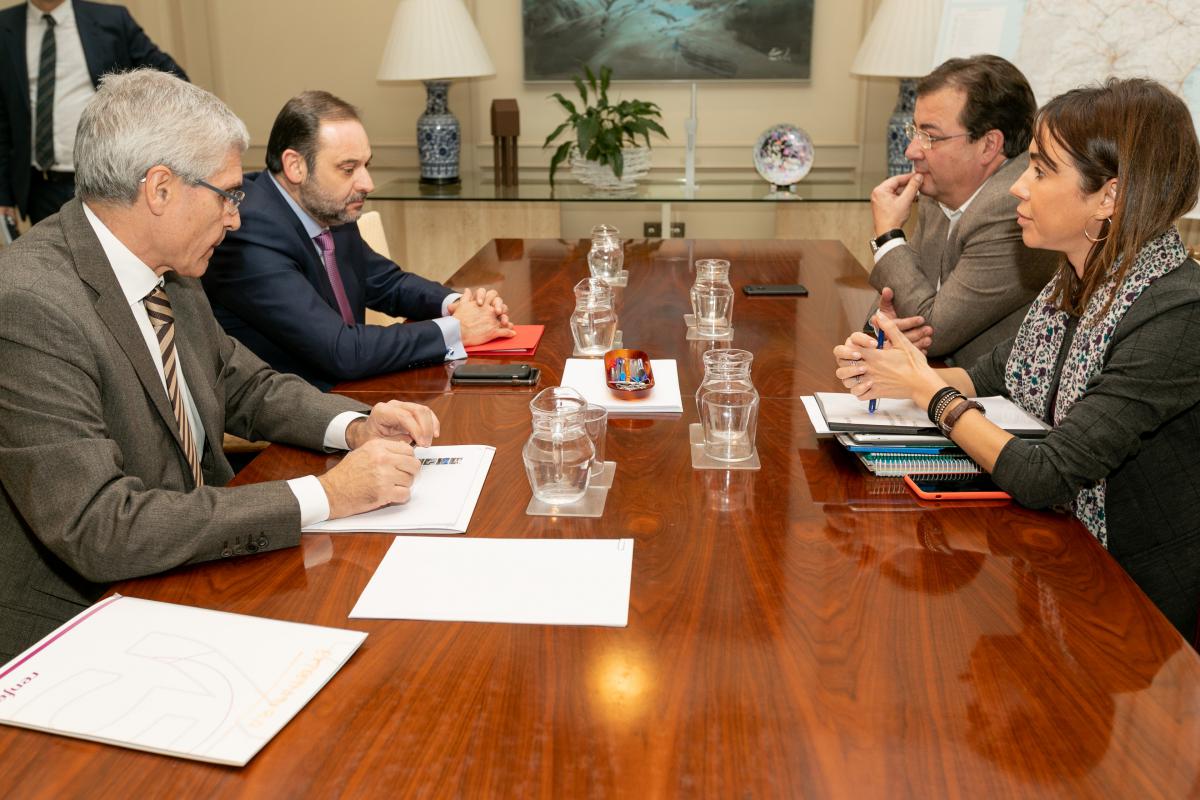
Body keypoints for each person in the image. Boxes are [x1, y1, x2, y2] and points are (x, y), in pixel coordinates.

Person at [0, 69, 442, 660]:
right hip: (82, 622)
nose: (236, 218)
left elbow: (246, 384)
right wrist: (325, 495)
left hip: (192, 570)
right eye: (229, 194)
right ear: (160, 189)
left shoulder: (168, 264)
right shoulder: (30, 305)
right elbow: (101, 526)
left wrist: (355, 426)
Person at [834, 78, 1200, 640]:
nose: (1016, 190)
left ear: (1110, 196)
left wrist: (927, 390)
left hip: (1130, 604)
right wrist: (894, 366)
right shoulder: (1073, 286)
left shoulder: (1177, 313)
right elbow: (987, 378)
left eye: (1041, 170)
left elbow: (1046, 474)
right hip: (1054, 557)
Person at [203, 91, 514, 390]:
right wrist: (458, 330)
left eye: (367, 165)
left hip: (357, 389)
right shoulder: (248, 229)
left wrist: (457, 304)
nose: (367, 183)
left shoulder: (327, 206)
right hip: (299, 414)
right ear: (295, 166)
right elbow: (341, 350)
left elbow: (386, 283)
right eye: (348, 168)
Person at [868, 55, 1058, 366]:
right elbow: (898, 302)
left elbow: (933, 333)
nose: (912, 151)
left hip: (999, 401)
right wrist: (882, 328)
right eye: (913, 132)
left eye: (929, 137)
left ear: (988, 145)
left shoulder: (1012, 207)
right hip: (941, 381)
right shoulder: (939, 192)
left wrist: (889, 236)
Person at [0, 0, 187, 227]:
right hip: (41, 187)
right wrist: (3, 195)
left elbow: (173, 80)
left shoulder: (112, 20)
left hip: (107, 179)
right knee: (54, 261)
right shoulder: (5, 25)